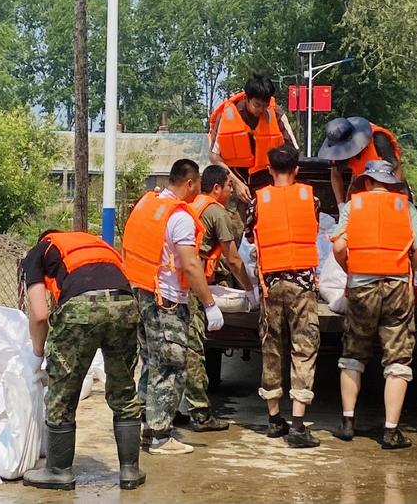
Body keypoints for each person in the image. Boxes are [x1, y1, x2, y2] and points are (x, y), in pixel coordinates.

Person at [21, 230, 145, 491]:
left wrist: (37, 354)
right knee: (124, 388)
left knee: (62, 392)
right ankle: (130, 470)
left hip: (81, 308)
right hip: (125, 304)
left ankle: (58, 471)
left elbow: (40, 315)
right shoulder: (97, 244)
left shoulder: (39, 251)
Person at [122, 159, 225, 455]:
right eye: (197, 187)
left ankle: (145, 425)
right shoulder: (179, 216)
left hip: (142, 292)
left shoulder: (148, 204)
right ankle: (160, 436)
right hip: (166, 301)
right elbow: (191, 265)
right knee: (170, 366)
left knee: (151, 363)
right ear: (190, 183)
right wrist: (209, 303)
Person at [331, 160, 417, 449]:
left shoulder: (353, 205)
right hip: (397, 286)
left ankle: (348, 423)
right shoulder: (405, 207)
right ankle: (390, 431)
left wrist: (350, 268)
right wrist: (409, 267)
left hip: (362, 287)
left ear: (368, 182)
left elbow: (338, 246)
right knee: (397, 358)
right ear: (390, 182)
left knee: (354, 353)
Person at [244, 144, 321, 448]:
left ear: (270, 170)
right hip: (302, 286)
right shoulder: (311, 199)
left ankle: (275, 420)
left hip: (271, 285)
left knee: (272, 348)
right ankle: (299, 427)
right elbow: (313, 229)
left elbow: (250, 235)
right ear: (297, 170)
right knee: (304, 349)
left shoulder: (258, 201)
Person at [184, 165, 260, 431]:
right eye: (229, 186)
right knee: (194, 350)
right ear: (216, 188)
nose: (231, 190)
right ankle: (200, 414)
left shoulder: (193, 205)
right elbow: (233, 259)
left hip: (176, 282)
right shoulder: (217, 212)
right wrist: (251, 290)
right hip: (191, 283)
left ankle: (162, 411)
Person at [209, 74, 300, 208]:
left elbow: (293, 152)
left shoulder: (277, 114)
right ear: (246, 98)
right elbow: (214, 156)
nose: (261, 110)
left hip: (268, 183)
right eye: (257, 105)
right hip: (236, 182)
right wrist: (236, 183)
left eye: (265, 105)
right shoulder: (226, 116)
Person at [318, 117, 403, 206]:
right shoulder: (337, 145)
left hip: (385, 188)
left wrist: (395, 197)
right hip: (361, 186)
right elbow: (335, 174)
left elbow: (396, 168)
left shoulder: (378, 138)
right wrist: (341, 204)